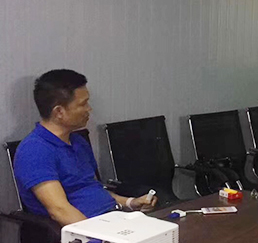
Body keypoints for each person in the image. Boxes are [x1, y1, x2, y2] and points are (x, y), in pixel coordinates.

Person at [13, 69, 157, 226]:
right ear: (59, 111)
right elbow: (60, 210)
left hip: (112, 218)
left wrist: (130, 203)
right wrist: (102, 235)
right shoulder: (34, 151)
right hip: (85, 231)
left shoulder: (78, 141)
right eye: (83, 104)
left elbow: (91, 189)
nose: (89, 109)